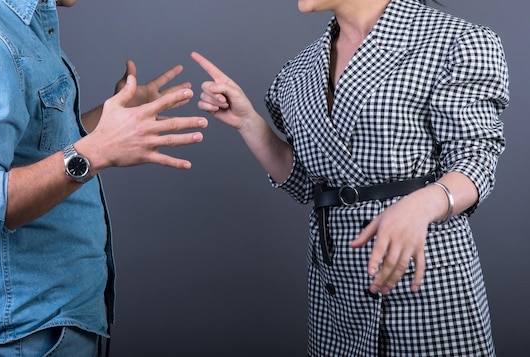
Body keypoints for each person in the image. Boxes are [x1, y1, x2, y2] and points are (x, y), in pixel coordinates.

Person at [192, 0, 509, 355]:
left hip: (424, 280)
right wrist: (248, 122)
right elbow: (310, 184)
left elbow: (476, 157)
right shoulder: (299, 71)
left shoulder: (456, 41)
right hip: (335, 293)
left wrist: (422, 205)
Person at [0, 0, 207, 355]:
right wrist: (93, 151)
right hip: (23, 336)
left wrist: (104, 127)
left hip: (52, 327)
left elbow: (35, 146)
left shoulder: (18, 27)